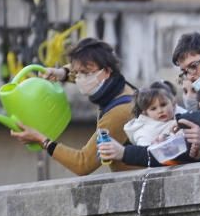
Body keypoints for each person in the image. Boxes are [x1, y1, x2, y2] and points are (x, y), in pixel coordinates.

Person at [8, 38, 138, 174]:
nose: (80, 78)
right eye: (77, 73)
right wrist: (61, 73)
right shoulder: (120, 85)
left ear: (106, 71)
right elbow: (81, 70)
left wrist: (42, 140)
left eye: (86, 73)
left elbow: (83, 163)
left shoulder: (118, 114)